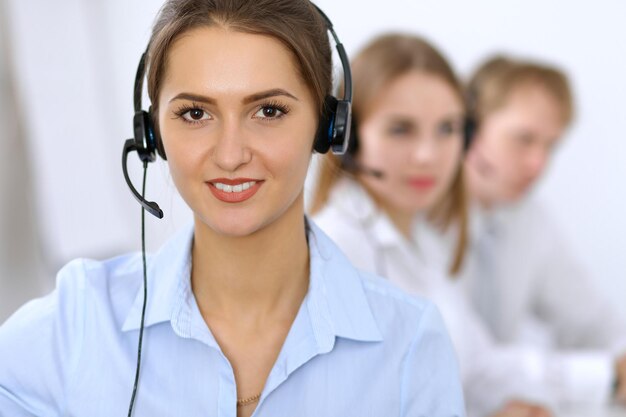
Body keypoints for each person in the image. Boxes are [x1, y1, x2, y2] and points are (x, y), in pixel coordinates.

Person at [0, 1, 465, 416]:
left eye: (268, 111)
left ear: (328, 128)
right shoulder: (77, 322)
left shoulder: (410, 343)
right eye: (195, 114)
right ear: (152, 135)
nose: (229, 154)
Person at [310, 33, 555, 417]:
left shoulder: (424, 239)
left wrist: (607, 375)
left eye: (447, 129)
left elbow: (479, 367)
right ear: (350, 139)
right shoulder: (334, 249)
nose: (427, 155)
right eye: (401, 129)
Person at [461, 55, 626, 407]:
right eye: (524, 139)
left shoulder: (530, 218)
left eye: (551, 145)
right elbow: (467, 362)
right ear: (469, 129)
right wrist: (606, 376)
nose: (539, 164)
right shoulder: (417, 218)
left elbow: (593, 321)